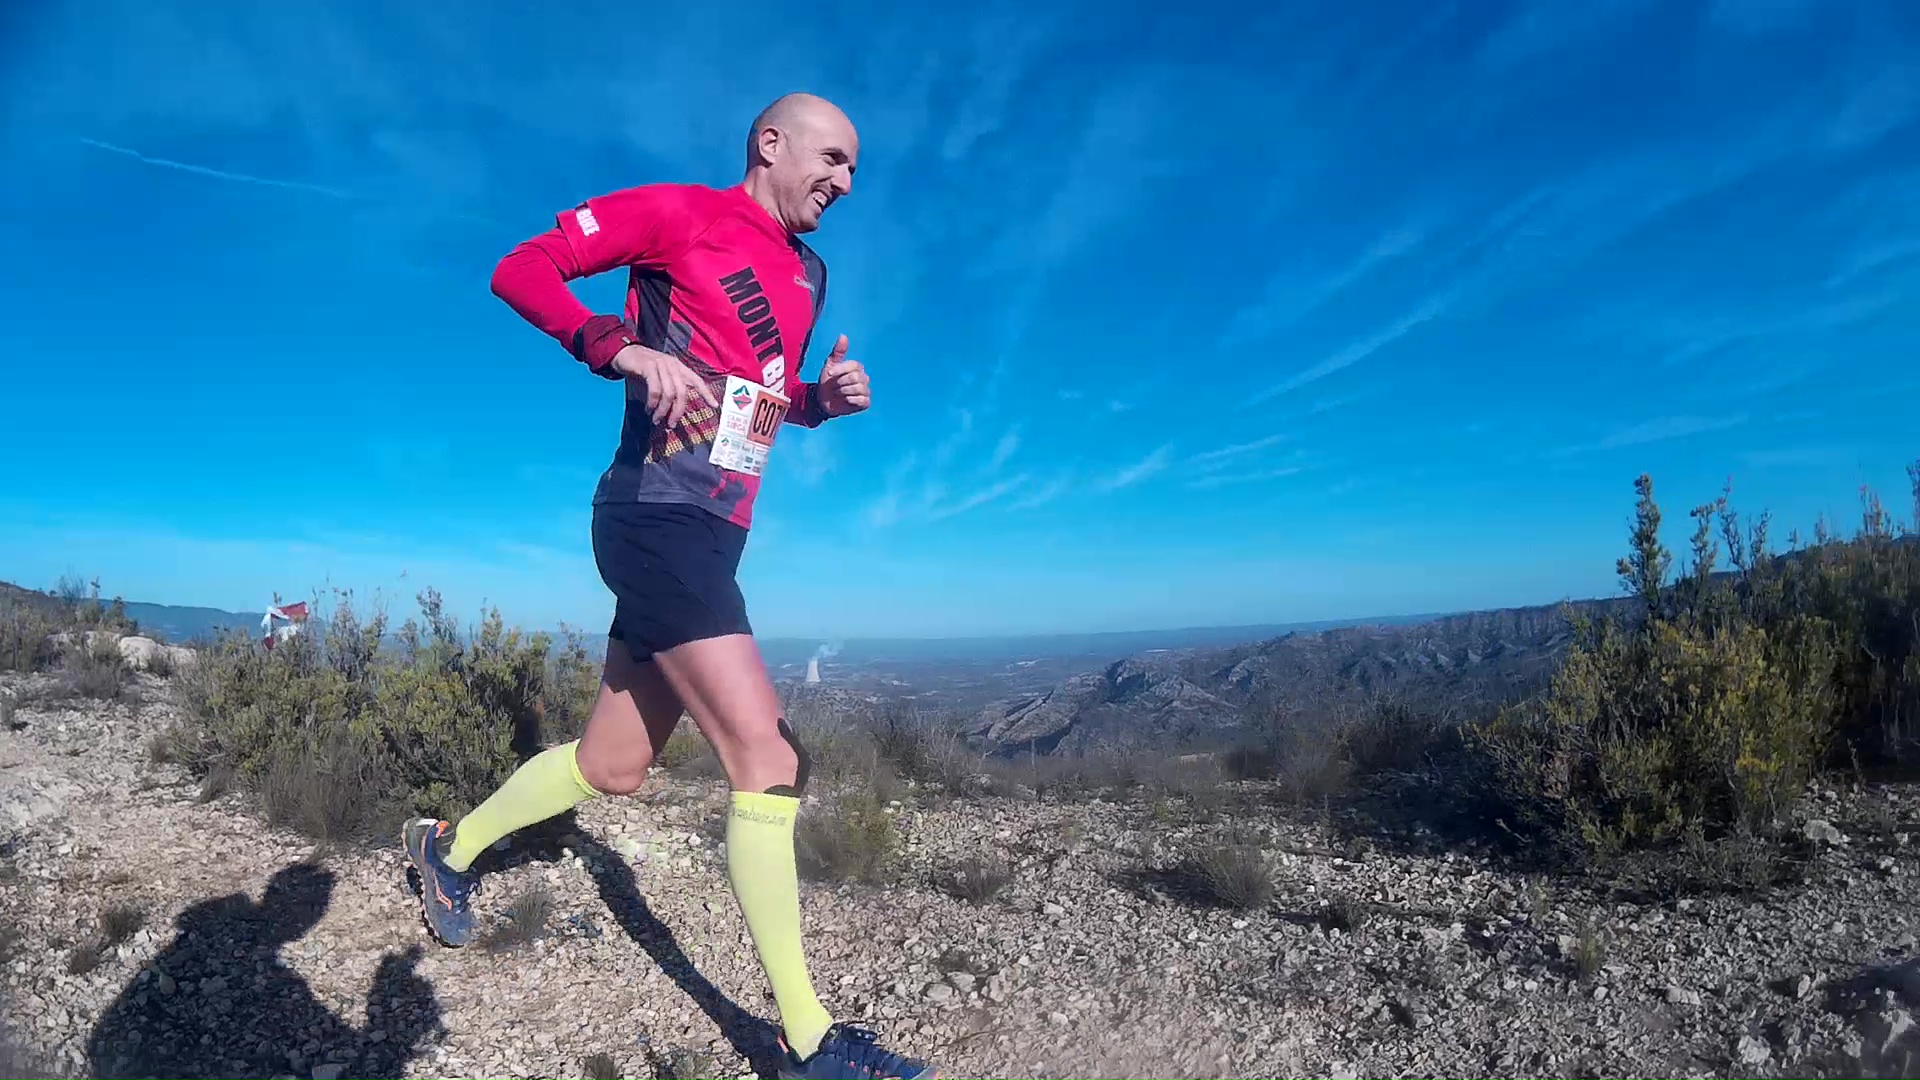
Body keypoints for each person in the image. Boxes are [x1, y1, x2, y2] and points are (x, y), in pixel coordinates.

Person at [400, 92, 936, 1080]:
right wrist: (619, 346)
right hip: (653, 519)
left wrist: (818, 403)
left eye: (855, 169)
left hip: (716, 536)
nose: (847, 182)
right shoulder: (678, 212)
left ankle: (448, 848)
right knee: (768, 758)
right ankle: (808, 1044)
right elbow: (521, 268)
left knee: (610, 767)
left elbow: (755, 397)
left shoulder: (808, 274)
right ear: (769, 144)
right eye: (833, 158)